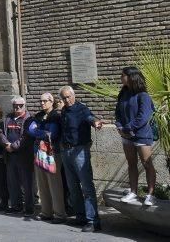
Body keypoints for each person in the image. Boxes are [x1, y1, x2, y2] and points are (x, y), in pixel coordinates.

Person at [59, 85, 103, 232]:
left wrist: (95, 123)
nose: (66, 100)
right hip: (66, 151)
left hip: (80, 151)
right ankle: (80, 216)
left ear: (74, 95)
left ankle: (93, 220)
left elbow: (90, 118)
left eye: (68, 97)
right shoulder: (64, 110)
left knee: (87, 186)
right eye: (64, 98)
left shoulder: (82, 108)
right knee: (73, 187)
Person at [114, 66, 156, 206]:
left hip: (141, 135)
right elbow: (118, 112)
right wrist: (120, 126)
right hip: (126, 135)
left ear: (131, 77)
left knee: (146, 163)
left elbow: (143, 117)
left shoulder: (143, 96)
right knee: (131, 163)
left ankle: (150, 194)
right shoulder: (123, 94)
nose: (121, 77)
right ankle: (133, 192)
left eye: (123, 75)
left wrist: (128, 128)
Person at [28, 93, 66, 223]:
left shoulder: (56, 116)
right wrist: (42, 133)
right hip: (38, 151)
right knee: (42, 184)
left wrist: (38, 131)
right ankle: (46, 212)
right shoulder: (38, 115)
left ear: (51, 101)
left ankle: (59, 214)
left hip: (52, 153)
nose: (42, 103)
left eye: (45, 101)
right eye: (41, 101)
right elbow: (30, 130)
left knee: (54, 185)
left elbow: (53, 134)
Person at [0, 96, 34, 216]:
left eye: (20, 105)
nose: (17, 108)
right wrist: (6, 144)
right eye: (15, 106)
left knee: (27, 183)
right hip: (10, 156)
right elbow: (1, 133)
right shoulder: (8, 118)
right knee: (12, 182)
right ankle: (16, 206)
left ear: (24, 105)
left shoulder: (29, 119)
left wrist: (13, 146)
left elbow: (26, 136)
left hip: (24, 155)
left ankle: (29, 208)